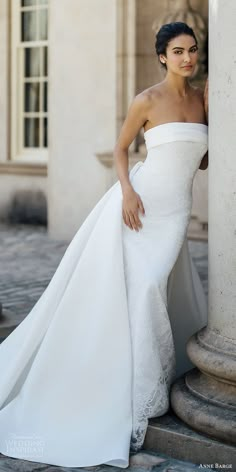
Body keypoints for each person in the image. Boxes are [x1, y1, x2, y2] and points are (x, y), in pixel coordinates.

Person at [0, 22, 208, 469]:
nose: (186, 58)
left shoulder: (202, 99)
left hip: (175, 215)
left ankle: (150, 376)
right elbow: (119, 149)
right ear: (161, 56)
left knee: (155, 287)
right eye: (177, 51)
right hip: (142, 205)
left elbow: (203, 159)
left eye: (191, 50)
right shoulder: (147, 100)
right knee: (146, 286)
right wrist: (128, 192)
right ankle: (136, 392)